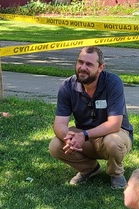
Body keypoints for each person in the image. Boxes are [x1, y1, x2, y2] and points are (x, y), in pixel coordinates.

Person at [49, 46, 133, 187]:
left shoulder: (113, 82)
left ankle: (116, 173)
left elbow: (114, 124)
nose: (83, 67)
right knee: (55, 145)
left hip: (115, 134)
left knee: (112, 141)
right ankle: (89, 169)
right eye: (80, 62)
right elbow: (59, 124)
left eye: (89, 64)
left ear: (100, 67)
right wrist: (69, 138)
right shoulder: (67, 86)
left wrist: (84, 135)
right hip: (85, 138)